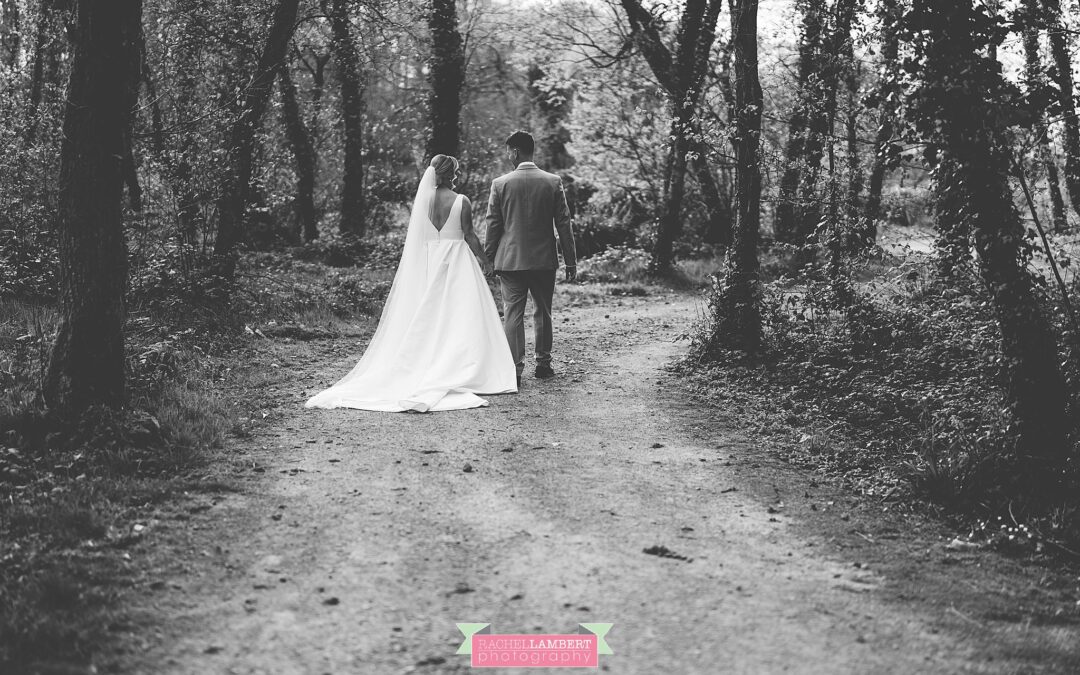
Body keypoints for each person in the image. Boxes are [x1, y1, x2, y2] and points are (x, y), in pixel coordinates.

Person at [305, 155, 517, 413]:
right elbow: (469, 235)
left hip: (429, 260)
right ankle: (457, 362)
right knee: (459, 313)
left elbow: (419, 235)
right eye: (456, 171)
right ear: (449, 174)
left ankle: (428, 360)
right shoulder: (462, 201)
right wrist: (485, 261)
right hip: (456, 260)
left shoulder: (422, 201)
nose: (457, 175)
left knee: (429, 313)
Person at [484, 131, 578, 383]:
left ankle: (514, 369)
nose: (507, 156)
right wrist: (570, 260)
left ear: (515, 151)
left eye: (508, 151)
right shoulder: (552, 181)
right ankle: (543, 364)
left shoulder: (500, 184)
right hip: (543, 260)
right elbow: (564, 223)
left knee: (513, 314)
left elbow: (493, 225)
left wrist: (488, 258)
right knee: (543, 312)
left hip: (510, 260)